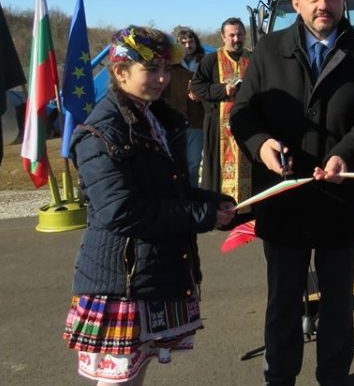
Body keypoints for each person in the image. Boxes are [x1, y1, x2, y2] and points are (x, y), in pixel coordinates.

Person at [230, 0, 354, 386]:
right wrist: (261, 143)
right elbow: (243, 113)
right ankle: (279, 379)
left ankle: (333, 378)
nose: (324, 5)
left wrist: (345, 153)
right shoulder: (267, 51)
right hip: (283, 200)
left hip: (340, 199)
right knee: (283, 302)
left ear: (343, 0)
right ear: (297, 2)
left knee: (339, 304)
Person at [62, 26, 235, 385]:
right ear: (120, 72)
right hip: (119, 281)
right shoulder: (100, 133)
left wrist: (211, 201)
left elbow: (170, 188)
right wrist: (203, 215)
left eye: (165, 69)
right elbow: (121, 211)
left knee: (135, 374)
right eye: (150, 69)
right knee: (119, 379)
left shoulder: (154, 117)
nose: (160, 78)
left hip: (147, 274)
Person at [190, 17, 253, 202]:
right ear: (223, 37)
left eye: (239, 34)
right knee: (217, 171)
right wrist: (222, 90)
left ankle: (246, 208)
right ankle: (220, 209)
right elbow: (196, 86)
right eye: (231, 35)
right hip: (219, 126)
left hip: (248, 123)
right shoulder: (211, 60)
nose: (236, 39)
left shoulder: (251, 58)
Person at [162, 26, 206, 187]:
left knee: (194, 162)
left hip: (197, 120)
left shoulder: (205, 62)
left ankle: (193, 193)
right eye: (183, 42)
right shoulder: (170, 66)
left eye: (191, 41)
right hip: (174, 121)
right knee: (175, 161)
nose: (188, 46)